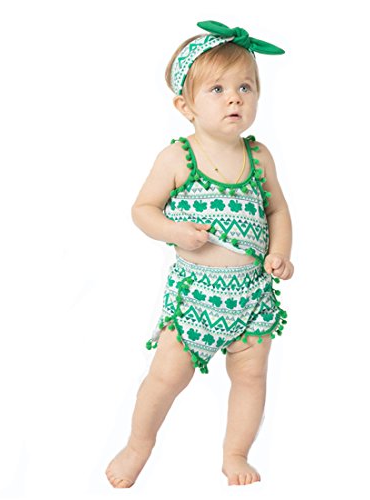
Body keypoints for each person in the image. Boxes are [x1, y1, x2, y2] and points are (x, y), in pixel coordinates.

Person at [106, 20, 294, 488]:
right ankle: (138, 445)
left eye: (245, 87)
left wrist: (280, 253)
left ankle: (236, 453)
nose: (235, 99)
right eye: (217, 89)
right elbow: (142, 210)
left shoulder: (259, 157)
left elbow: (277, 209)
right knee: (166, 377)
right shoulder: (178, 158)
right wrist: (174, 231)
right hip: (196, 296)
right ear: (185, 106)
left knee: (251, 377)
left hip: (251, 295)